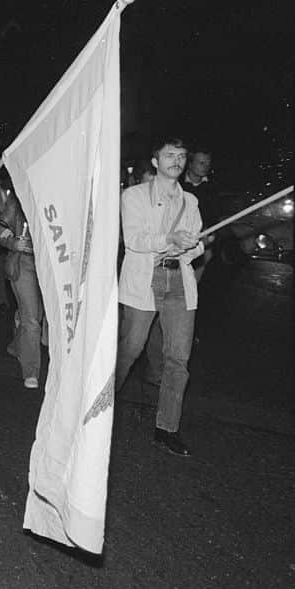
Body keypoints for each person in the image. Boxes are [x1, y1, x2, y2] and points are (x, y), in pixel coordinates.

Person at [114, 137, 203, 457]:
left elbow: (199, 243)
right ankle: (101, 406)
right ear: (155, 161)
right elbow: (134, 239)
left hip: (179, 281)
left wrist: (188, 248)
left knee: (178, 359)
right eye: (169, 155)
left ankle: (167, 428)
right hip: (144, 279)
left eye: (181, 155)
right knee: (131, 349)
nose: (176, 160)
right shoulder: (134, 196)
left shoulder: (190, 201)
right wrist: (170, 239)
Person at [0, 172, 43, 389]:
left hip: (48, 266)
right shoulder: (18, 200)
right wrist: (11, 241)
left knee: (35, 316)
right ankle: (31, 371)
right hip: (24, 262)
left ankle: (17, 345)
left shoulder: (61, 201)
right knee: (32, 319)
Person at [180, 148, 217, 282]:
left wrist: (210, 232)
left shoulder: (213, 186)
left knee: (206, 272)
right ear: (190, 164)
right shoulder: (178, 185)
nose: (205, 167)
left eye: (208, 164)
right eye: (201, 163)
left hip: (206, 237)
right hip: (183, 237)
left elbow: (216, 212)